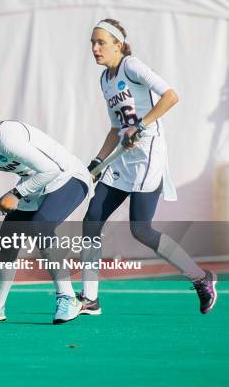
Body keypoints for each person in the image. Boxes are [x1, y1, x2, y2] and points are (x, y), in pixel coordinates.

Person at [79, 19, 217, 315]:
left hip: (148, 155)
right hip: (122, 157)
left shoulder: (132, 66)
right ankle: (90, 298)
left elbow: (171, 96)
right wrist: (97, 161)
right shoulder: (105, 79)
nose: (95, 48)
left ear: (118, 44)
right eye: (92, 42)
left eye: (101, 42)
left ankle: (200, 278)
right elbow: (115, 127)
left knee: (140, 229)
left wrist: (141, 125)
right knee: (92, 219)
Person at [0, 91, 94, 324]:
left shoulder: (6, 137)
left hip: (68, 178)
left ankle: (68, 298)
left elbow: (51, 170)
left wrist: (17, 193)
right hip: (35, 184)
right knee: (6, 242)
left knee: (41, 227)